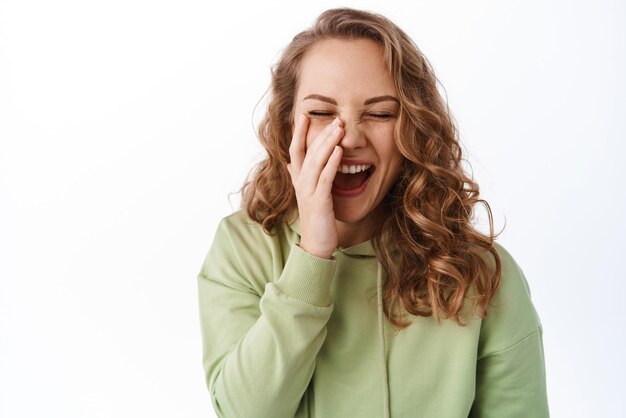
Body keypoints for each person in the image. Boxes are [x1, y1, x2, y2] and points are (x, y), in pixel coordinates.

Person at [197, 7, 549, 418]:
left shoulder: (481, 274)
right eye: (323, 112)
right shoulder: (241, 248)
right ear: (287, 124)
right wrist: (312, 254)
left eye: (380, 113)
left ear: (413, 130)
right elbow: (245, 411)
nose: (346, 139)